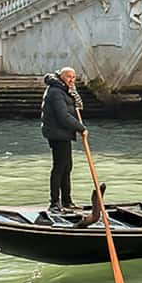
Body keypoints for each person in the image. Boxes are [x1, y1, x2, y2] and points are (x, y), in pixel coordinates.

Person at [41, 67, 87, 211]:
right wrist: (81, 128)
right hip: (57, 133)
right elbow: (63, 116)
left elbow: (73, 108)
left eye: (73, 77)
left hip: (63, 133)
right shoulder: (56, 92)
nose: (72, 80)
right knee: (60, 167)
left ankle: (67, 201)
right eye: (68, 77)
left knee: (67, 167)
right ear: (62, 77)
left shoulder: (65, 90)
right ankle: (55, 203)